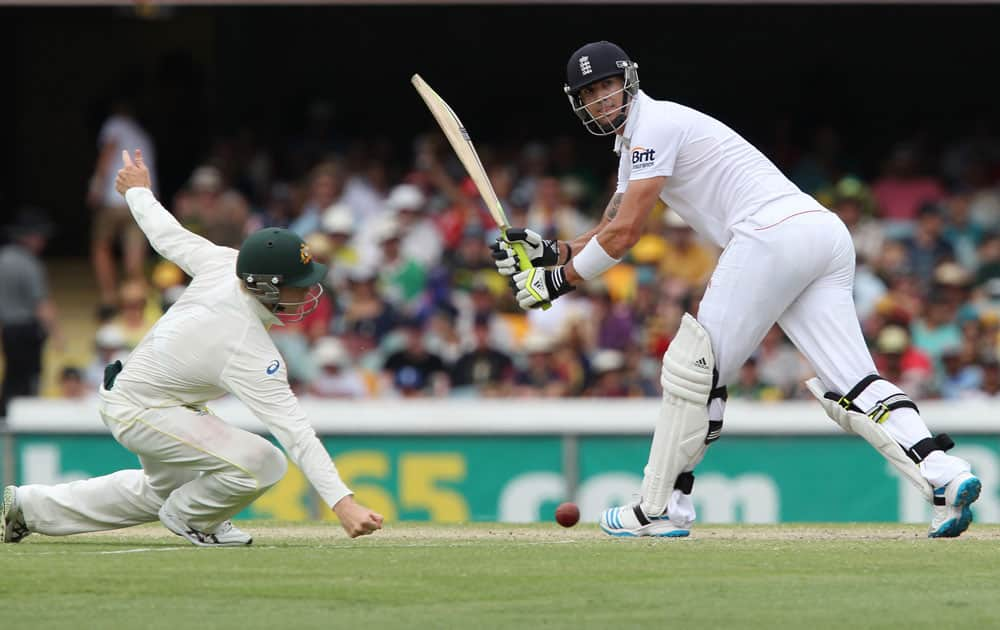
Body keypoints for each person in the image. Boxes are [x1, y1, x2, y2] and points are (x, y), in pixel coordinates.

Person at [491, 41, 980, 538]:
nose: (600, 100)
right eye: (589, 93)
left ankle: (658, 509)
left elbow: (624, 236)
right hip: (819, 232)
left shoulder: (652, 127)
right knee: (853, 381)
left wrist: (555, 283)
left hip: (768, 236)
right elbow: (609, 226)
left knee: (693, 372)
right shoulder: (642, 141)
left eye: (606, 86)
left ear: (628, 81)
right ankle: (944, 475)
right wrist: (551, 253)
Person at [1, 150, 382, 547]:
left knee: (157, 493)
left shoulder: (225, 264)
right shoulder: (244, 346)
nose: (309, 291)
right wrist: (343, 504)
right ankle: (192, 518)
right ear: (266, 285)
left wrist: (138, 191)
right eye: (298, 283)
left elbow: (166, 234)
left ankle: (29, 508)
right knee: (265, 463)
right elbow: (296, 432)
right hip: (143, 408)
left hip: (155, 398)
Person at [87, 97, 156, 315]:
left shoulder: (114, 124)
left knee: (101, 245)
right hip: (140, 198)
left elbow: (107, 153)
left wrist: (96, 185)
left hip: (115, 197)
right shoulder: (142, 134)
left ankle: (109, 297)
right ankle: (135, 303)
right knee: (134, 251)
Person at [0, 209, 62, 418]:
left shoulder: (3, 259)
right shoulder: (29, 263)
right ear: (30, 237)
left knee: (12, 377)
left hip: (8, 330)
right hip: (27, 329)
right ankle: (24, 421)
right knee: (29, 380)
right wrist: (57, 335)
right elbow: (42, 304)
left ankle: (5, 418)